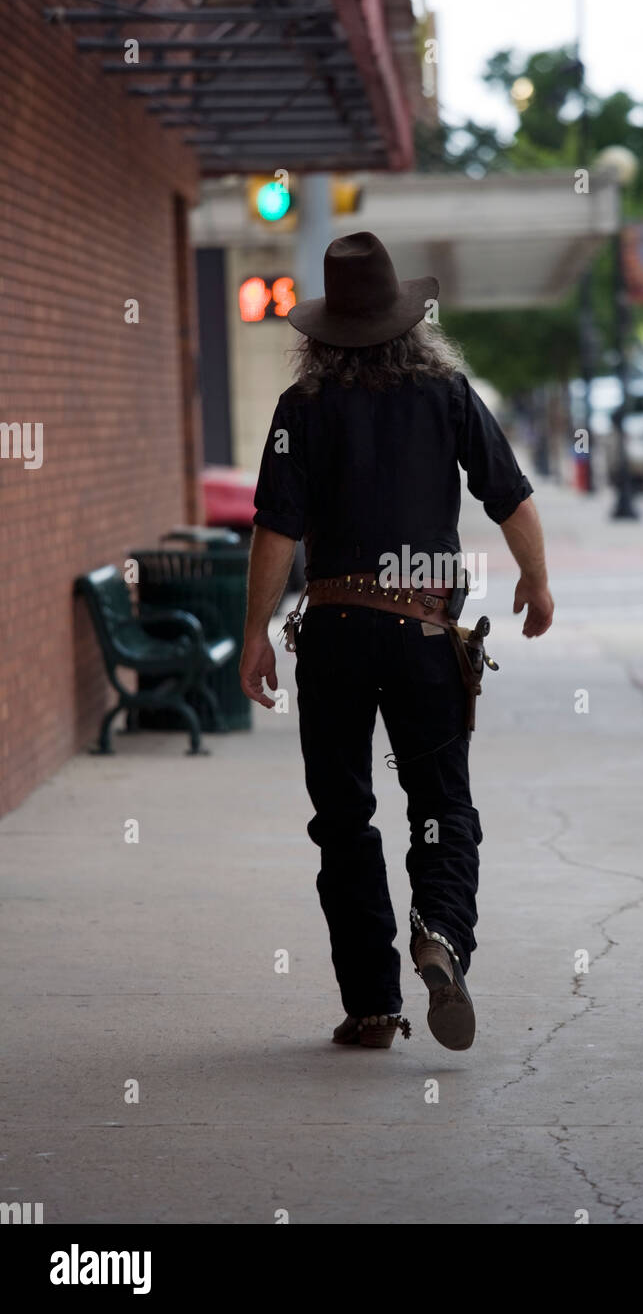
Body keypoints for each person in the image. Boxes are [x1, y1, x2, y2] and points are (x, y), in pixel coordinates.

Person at [240, 231, 553, 1053]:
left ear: (321, 333)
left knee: (344, 819)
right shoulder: (447, 393)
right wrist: (537, 582)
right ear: (410, 324)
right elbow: (510, 498)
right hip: (425, 633)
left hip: (337, 632)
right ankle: (441, 934)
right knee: (442, 805)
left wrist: (256, 636)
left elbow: (276, 530)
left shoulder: (299, 410)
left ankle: (373, 1005)